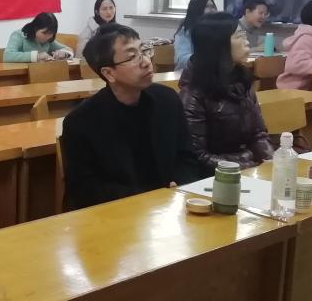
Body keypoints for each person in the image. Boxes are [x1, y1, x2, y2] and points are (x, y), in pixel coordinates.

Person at [61, 23, 206, 210]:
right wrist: (149, 198)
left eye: (143, 50)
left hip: (170, 207)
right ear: (109, 73)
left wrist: (178, 187)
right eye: (132, 57)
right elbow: (85, 190)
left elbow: (186, 157)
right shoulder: (81, 122)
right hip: (117, 214)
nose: (145, 61)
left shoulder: (168, 100)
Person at [179, 13, 273, 171]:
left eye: (244, 35)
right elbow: (199, 156)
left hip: (245, 167)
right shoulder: (193, 95)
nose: (247, 41)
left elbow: (258, 135)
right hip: (217, 176)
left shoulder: (242, 83)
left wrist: (272, 161)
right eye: (239, 36)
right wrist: (248, 166)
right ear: (219, 45)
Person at [4, 12, 74, 62]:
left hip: (41, 73)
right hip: (20, 75)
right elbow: (7, 56)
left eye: (51, 33)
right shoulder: (18, 35)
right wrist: (37, 56)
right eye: (44, 33)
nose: (47, 37)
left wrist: (64, 53)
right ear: (35, 28)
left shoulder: (48, 40)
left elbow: (69, 50)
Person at [173, 0, 217, 72]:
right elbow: (181, 60)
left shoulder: (217, 29)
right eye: (208, 6)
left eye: (213, 6)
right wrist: (205, 57)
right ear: (197, 9)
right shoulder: (185, 31)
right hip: (188, 73)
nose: (212, 10)